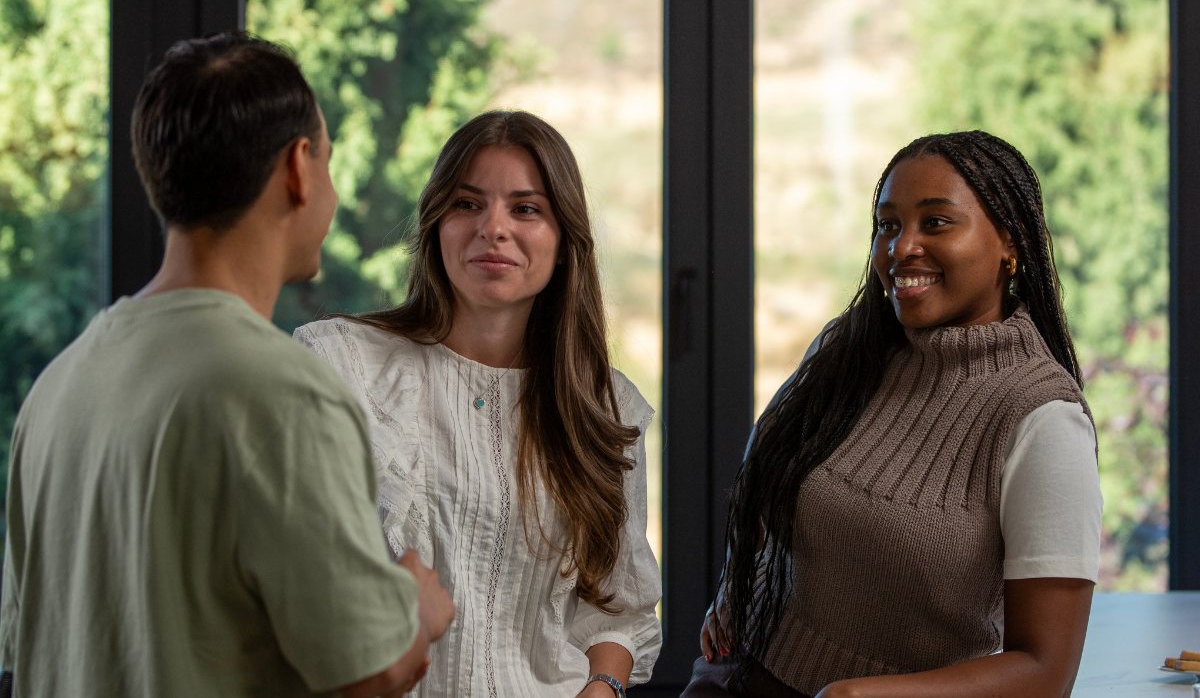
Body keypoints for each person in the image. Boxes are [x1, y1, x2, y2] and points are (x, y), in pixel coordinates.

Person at [0, 32, 454, 697]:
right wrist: (418, 612)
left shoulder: (58, 387)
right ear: (299, 168)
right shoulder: (282, 394)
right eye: (327, 160)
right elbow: (369, 674)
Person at [686, 131, 1102, 698]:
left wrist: (861, 693)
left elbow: (1045, 672)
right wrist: (737, 589)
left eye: (936, 223)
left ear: (1011, 241)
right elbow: (768, 472)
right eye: (888, 225)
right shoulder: (846, 347)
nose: (901, 248)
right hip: (733, 676)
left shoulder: (1043, 420)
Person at [294, 110, 662, 698]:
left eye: (526, 208)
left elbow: (619, 611)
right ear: (435, 223)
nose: (493, 227)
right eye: (467, 204)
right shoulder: (344, 365)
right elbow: (298, 577)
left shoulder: (608, 408)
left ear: (565, 241)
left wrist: (601, 690)